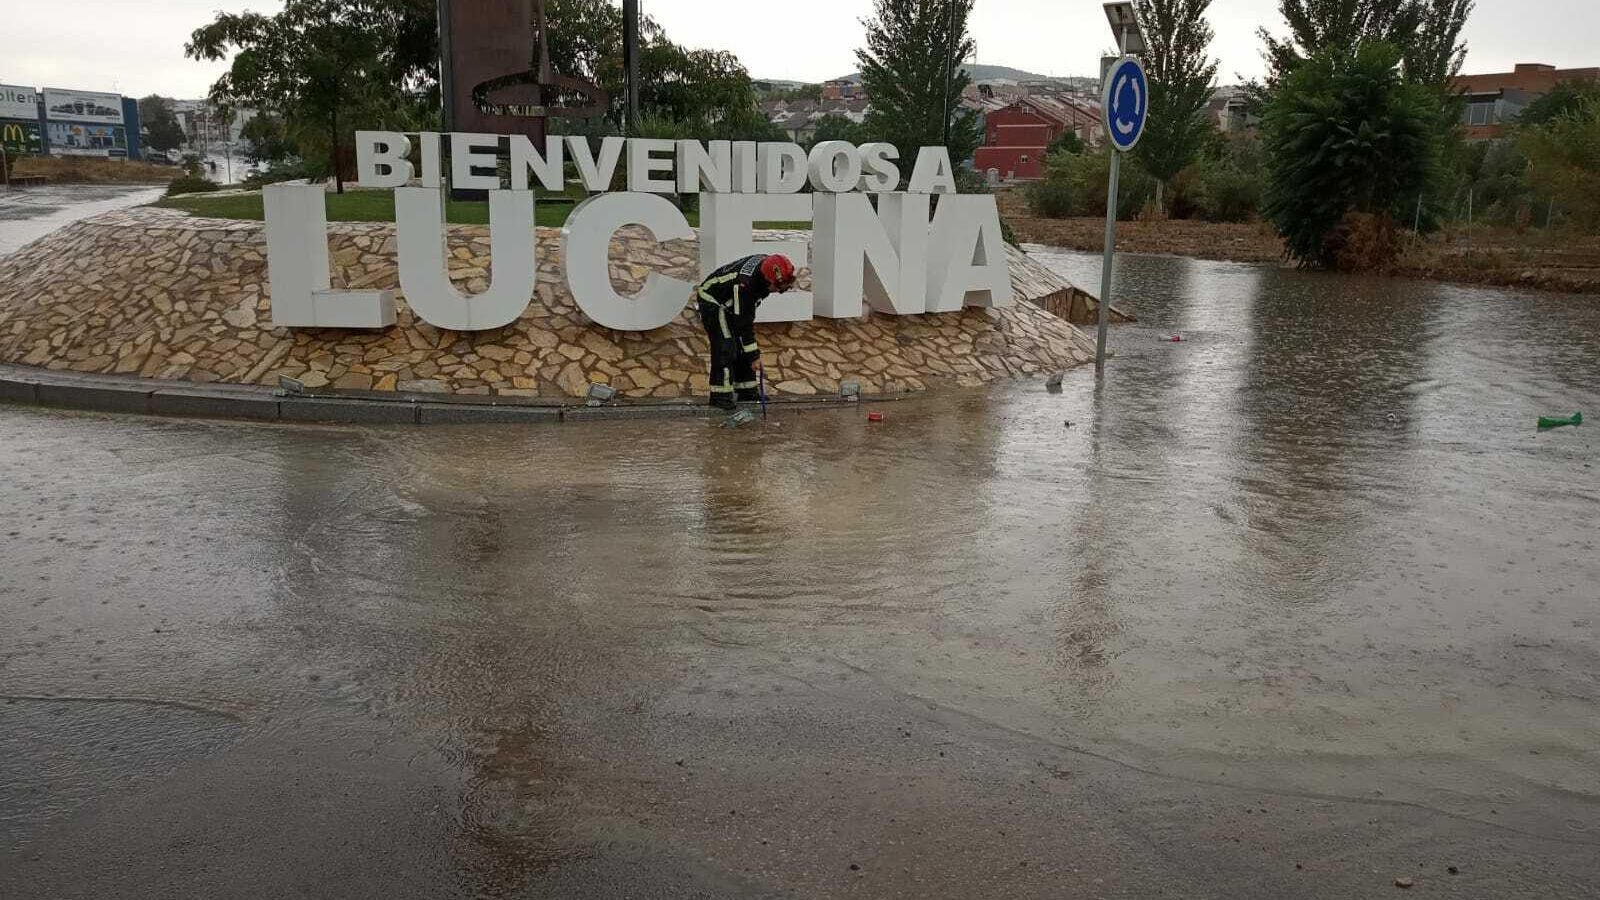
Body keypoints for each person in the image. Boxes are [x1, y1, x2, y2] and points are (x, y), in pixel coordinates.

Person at [694, 253, 797, 410]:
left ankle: (746, 390)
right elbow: (744, 324)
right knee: (725, 345)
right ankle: (720, 396)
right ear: (768, 280)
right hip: (713, 300)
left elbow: (743, 318)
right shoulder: (746, 285)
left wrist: (750, 352)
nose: (778, 290)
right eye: (778, 287)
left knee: (742, 346)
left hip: (732, 302)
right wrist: (754, 356)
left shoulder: (768, 269)